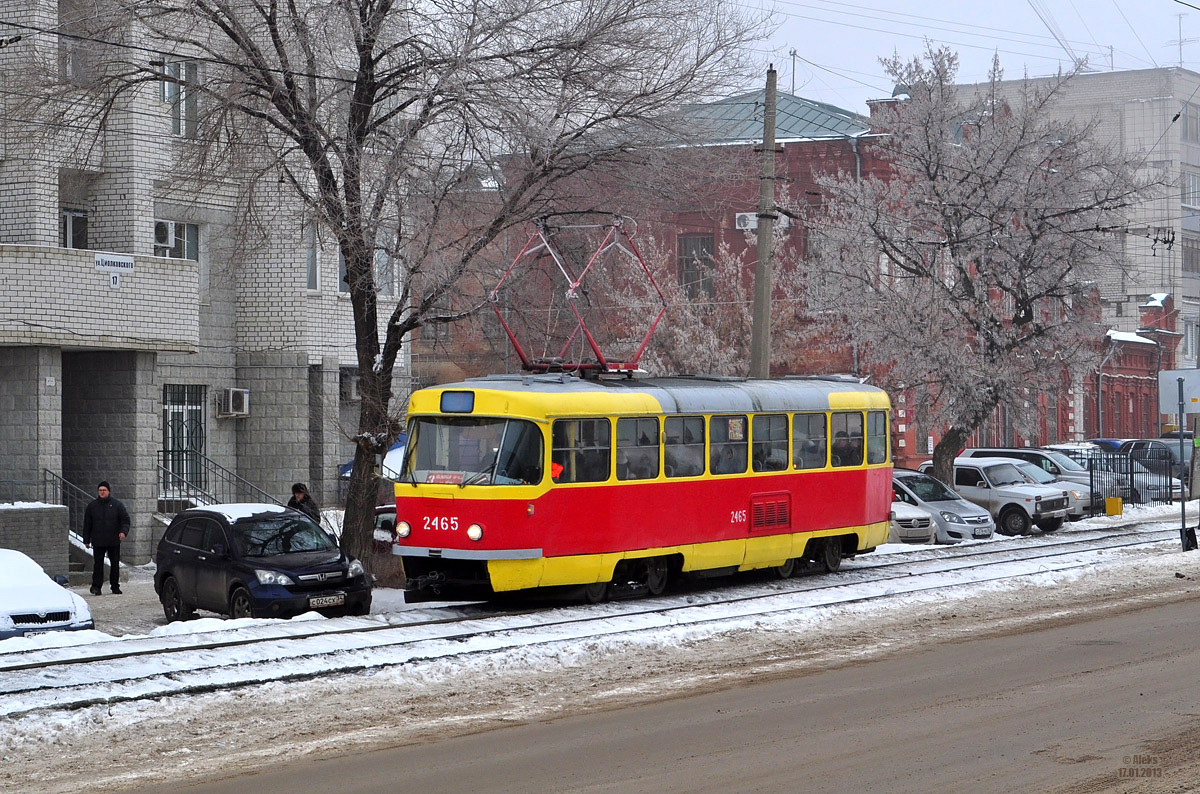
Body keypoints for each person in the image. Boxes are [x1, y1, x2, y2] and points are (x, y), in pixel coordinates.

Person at [82, 480, 131, 595]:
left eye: (104, 490)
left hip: (113, 540)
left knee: (115, 564)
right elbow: (87, 524)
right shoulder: (92, 506)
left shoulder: (117, 505)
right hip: (98, 541)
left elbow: (125, 520)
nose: (102, 492)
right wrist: (86, 539)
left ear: (108, 491)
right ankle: (96, 587)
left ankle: (115, 586)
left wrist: (123, 532)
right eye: (100, 490)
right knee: (98, 565)